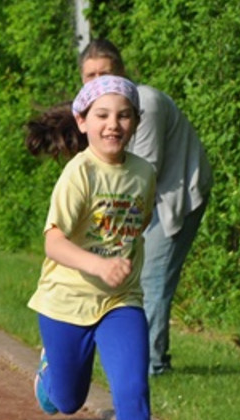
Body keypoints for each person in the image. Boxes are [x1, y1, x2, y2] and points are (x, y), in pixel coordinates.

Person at [25, 76, 157, 420]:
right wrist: (100, 265)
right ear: (82, 122)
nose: (113, 124)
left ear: (136, 122)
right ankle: (49, 374)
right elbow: (54, 241)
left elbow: (136, 229)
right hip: (65, 301)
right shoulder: (78, 174)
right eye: (102, 116)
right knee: (67, 401)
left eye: (123, 115)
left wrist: (119, 272)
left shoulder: (144, 173)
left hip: (121, 303)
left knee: (133, 392)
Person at [79, 39, 212, 377]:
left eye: (104, 73)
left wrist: (112, 225)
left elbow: (145, 172)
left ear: (122, 73)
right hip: (138, 199)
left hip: (175, 194)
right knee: (122, 275)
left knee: (151, 279)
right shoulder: (97, 111)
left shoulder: (146, 103)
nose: (97, 81)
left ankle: (152, 365)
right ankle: (129, 355)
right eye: (89, 75)